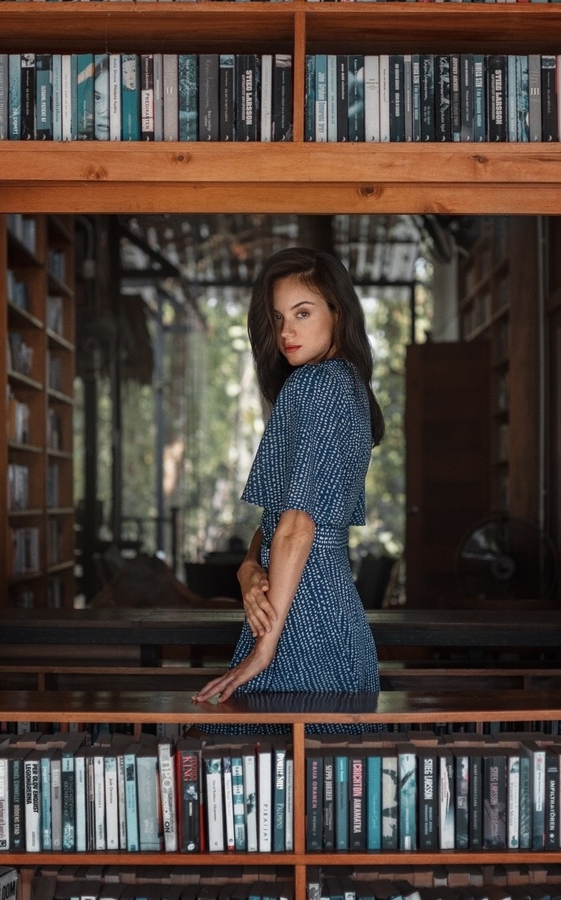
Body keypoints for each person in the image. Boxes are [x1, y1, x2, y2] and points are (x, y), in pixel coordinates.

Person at [193, 247, 385, 707]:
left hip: (303, 615)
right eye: (278, 318)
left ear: (338, 312)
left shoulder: (318, 384)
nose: (286, 332)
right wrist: (246, 567)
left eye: (303, 312)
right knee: (318, 772)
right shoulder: (347, 385)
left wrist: (263, 650)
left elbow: (299, 524)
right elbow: (279, 515)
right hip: (321, 610)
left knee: (261, 764)